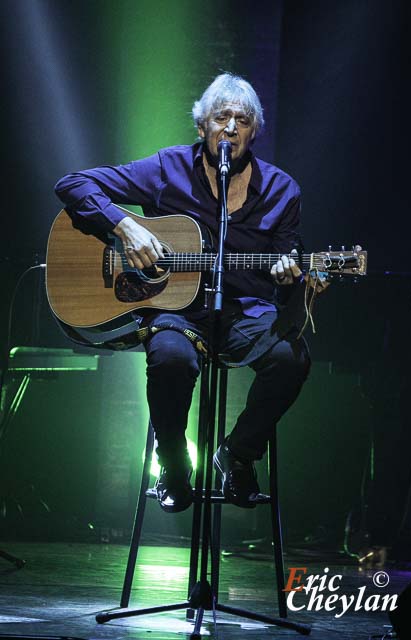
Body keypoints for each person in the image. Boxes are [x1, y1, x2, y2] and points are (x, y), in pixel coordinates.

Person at [54, 72, 312, 514]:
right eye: (221, 117)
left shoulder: (282, 190)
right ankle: (172, 462)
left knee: (292, 359)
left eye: (243, 120)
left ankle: (238, 455)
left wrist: (294, 279)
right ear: (202, 126)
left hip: (243, 314)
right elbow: (72, 184)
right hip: (173, 312)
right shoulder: (166, 169)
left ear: (254, 132)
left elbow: (286, 265)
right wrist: (125, 225)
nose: (231, 127)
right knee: (172, 358)